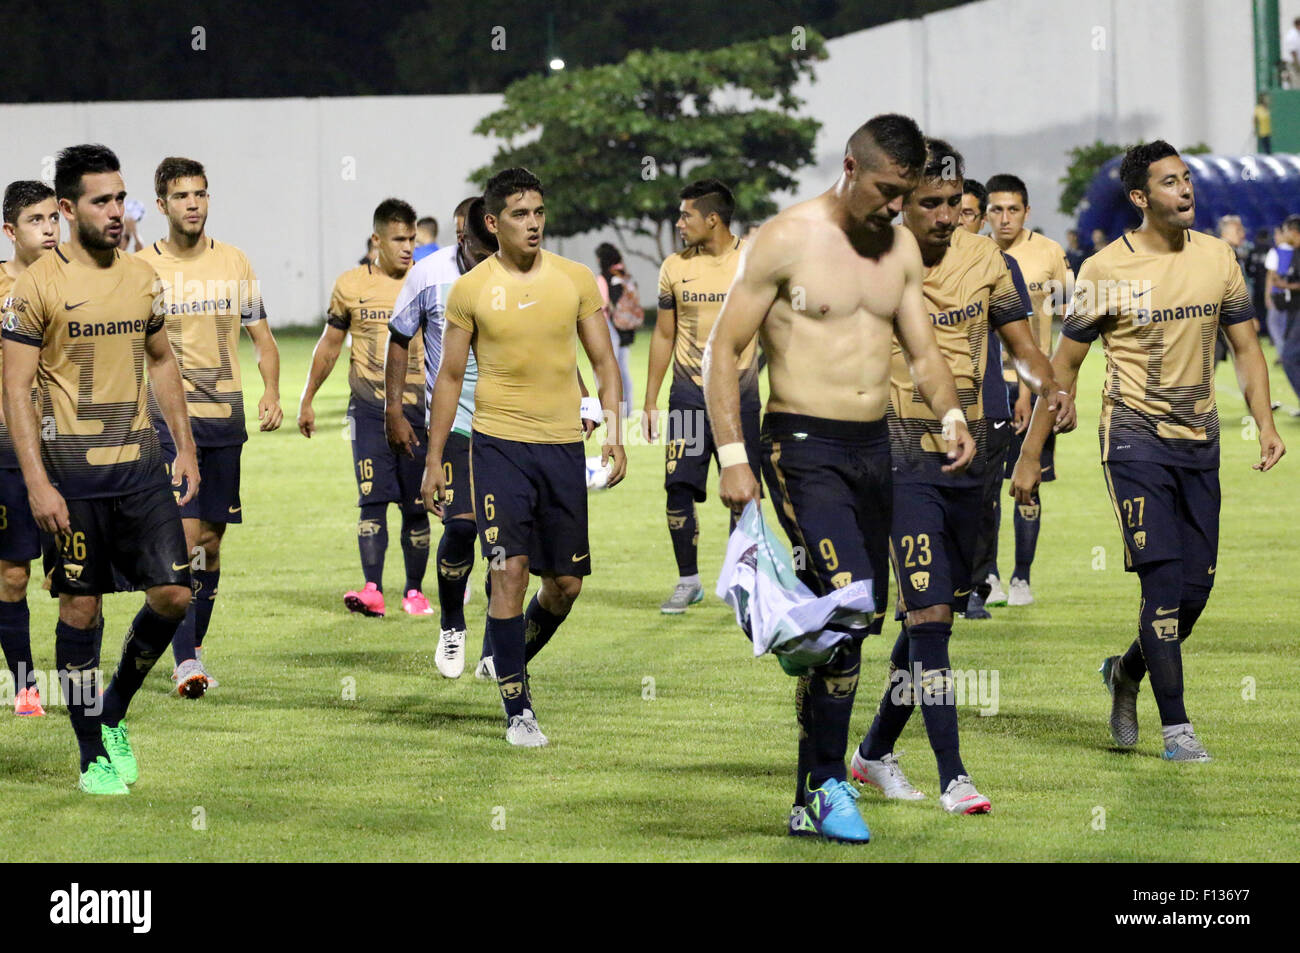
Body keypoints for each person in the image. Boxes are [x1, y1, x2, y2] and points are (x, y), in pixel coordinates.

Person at [706, 114, 976, 844]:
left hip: (874, 449)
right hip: (800, 445)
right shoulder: (787, 238)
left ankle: (807, 794)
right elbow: (723, 350)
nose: (897, 206)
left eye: (907, 193)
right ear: (852, 168)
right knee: (851, 607)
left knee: (849, 625)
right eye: (889, 190)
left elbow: (921, 352)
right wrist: (733, 458)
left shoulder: (899, 250)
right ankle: (827, 784)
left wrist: (950, 414)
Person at [1013, 140, 1285, 762]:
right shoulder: (1105, 270)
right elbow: (1066, 364)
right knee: (1162, 585)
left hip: (1201, 440)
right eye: (1170, 182)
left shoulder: (1219, 258)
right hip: (1133, 440)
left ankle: (1125, 672)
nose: (1185, 190)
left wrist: (1266, 423)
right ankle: (1178, 730)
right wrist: (1032, 455)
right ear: (1141, 198)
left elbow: (1247, 348)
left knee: (1195, 594)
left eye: (1187, 179)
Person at [851, 141, 1068, 816]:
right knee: (933, 617)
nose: (947, 215)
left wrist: (1048, 382)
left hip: (972, 451)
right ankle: (954, 776)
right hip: (898, 450)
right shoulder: (871, 257)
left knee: (932, 612)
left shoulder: (987, 260)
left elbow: (1021, 338)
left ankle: (874, 749)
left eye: (955, 203)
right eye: (930, 203)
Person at [1, 144, 200, 794]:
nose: (117, 211)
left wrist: (186, 445)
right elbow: (16, 386)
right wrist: (36, 481)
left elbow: (163, 358)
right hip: (72, 478)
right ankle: (92, 752)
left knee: (174, 594)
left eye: (120, 198)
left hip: (140, 471)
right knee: (80, 607)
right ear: (67, 207)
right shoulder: (36, 286)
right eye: (101, 201)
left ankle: (113, 706)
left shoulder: (142, 275)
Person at [424, 167, 627, 747]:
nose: (533, 223)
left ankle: (505, 657)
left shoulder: (576, 279)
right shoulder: (469, 290)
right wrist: (435, 458)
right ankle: (519, 710)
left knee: (565, 585)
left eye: (538, 212)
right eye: (519, 214)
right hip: (497, 446)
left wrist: (613, 430)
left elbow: (606, 363)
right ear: (492, 223)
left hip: (562, 446)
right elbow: (449, 376)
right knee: (508, 570)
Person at [139, 157, 282, 696]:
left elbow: (262, 338)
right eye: (181, 196)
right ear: (162, 205)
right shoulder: (140, 269)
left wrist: (270, 390)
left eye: (200, 194)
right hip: (168, 424)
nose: (193, 204)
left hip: (225, 420)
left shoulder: (236, 262)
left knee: (210, 547)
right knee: (185, 535)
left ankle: (192, 652)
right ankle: (185, 664)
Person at [299, 199, 432, 618]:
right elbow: (331, 344)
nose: (408, 247)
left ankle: (414, 592)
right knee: (371, 499)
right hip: (368, 412)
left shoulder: (426, 282)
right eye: (399, 239)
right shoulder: (350, 285)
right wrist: (307, 397)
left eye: (412, 238)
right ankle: (372, 588)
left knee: (416, 505)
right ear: (377, 240)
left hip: (417, 411)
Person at [387, 196, 496, 678]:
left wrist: (581, 399)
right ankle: (453, 625)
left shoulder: (518, 276)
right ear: (464, 237)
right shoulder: (430, 274)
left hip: (514, 425)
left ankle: (497, 642)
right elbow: (399, 334)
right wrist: (394, 408)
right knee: (463, 526)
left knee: (506, 545)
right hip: (453, 425)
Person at [643, 179, 760, 614]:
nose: (679, 223)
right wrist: (652, 400)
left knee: (744, 491)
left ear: (713, 219)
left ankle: (740, 583)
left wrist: (756, 370)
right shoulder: (674, 266)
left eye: (686, 215)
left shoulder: (752, 261)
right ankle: (688, 580)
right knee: (678, 488)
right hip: (689, 397)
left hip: (740, 397)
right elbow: (663, 333)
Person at [985, 173, 1074, 607]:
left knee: (1028, 481)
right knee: (984, 485)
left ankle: (1022, 576)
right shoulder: (974, 254)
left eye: (1013, 209)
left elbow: (1074, 320)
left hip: (1036, 386)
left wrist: (1060, 383)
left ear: (1027, 212)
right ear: (985, 213)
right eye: (996, 209)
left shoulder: (1049, 255)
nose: (1005, 218)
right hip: (984, 385)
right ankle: (989, 576)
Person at [0, 181, 59, 716]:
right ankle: (25, 685)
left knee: (76, 579)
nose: (48, 229)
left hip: (69, 447)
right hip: (7, 451)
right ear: (10, 230)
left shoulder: (73, 282)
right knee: (14, 571)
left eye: (52, 218)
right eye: (35, 220)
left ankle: (85, 691)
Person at [957, 178, 1019, 620]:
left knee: (983, 500)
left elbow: (1020, 339)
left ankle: (977, 587)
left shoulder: (999, 263)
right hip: (918, 408)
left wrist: (1031, 392)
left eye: (966, 213)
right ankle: (928, 587)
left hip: (988, 402)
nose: (954, 220)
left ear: (981, 221)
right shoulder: (908, 260)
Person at [595, 243, 636, 420]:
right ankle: (627, 408)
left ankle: (609, 408)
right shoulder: (624, 276)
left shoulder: (603, 278)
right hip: (626, 328)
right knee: (623, 369)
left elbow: (602, 303)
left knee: (607, 368)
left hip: (610, 327)